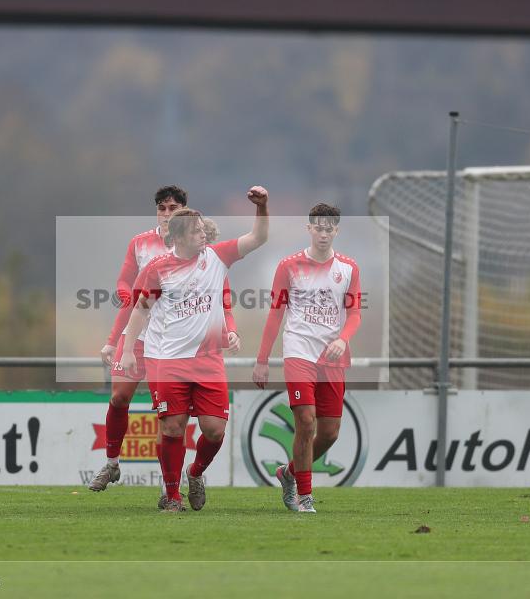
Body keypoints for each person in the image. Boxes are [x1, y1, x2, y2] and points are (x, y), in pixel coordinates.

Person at [122, 186, 269, 512]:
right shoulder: (158, 268)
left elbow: (258, 238)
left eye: (204, 230)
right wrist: (128, 349)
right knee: (172, 428)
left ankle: (195, 473)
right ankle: (172, 497)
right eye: (197, 230)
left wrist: (262, 207)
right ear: (179, 236)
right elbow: (140, 310)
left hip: (207, 360)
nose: (204, 234)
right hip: (167, 360)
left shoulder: (217, 257)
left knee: (214, 431)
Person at [252, 204, 361, 514]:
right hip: (299, 351)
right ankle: (305, 496)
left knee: (329, 433)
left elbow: (354, 314)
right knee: (306, 421)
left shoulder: (349, 268)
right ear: (309, 229)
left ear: (336, 231)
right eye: (319, 228)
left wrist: (342, 338)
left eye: (330, 228)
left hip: (332, 356)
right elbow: (275, 314)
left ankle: (289, 473)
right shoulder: (289, 266)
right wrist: (262, 360)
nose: (324, 233)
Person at [90, 186, 187, 492]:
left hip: (172, 341)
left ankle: (169, 484)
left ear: (184, 210)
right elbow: (124, 280)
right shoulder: (141, 243)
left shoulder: (194, 246)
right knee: (119, 397)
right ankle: (112, 464)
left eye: (173, 208)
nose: (167, 214)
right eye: (162, 208)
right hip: (138, 334)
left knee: (168, 415)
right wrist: (126, 295)